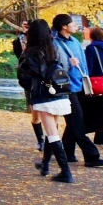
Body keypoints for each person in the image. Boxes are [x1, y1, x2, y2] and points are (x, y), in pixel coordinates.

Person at [17, 19, 75, 183]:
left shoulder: (30, 52)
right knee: (53, 131)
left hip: (43, 95)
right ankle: (45, 165)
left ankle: (66, 172)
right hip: (60, 92)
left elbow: (24, 78)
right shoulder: (55, 48)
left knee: (52, 133)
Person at [50, 14, 103, 168]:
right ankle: (91, 156)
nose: (76, 25)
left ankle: (67, 153)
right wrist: (69, 64)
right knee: (77, 121)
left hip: (80, 85)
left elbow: (84, 65)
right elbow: (54, 68)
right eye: (72, 23)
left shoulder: (75, 41)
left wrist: (87, 82)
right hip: (66, 88)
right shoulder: (54, 44)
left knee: (74, 121)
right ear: (64, 26)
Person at [12, 20, 46, 150]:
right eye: (23, 25)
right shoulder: (19, 41)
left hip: (45, 80)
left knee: (50, 112)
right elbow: (20, 58)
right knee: (36, 113)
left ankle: (51, 140)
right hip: (31, 82)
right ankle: (40, 139)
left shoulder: (44, 41)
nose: (25, 28)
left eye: (28, 26)